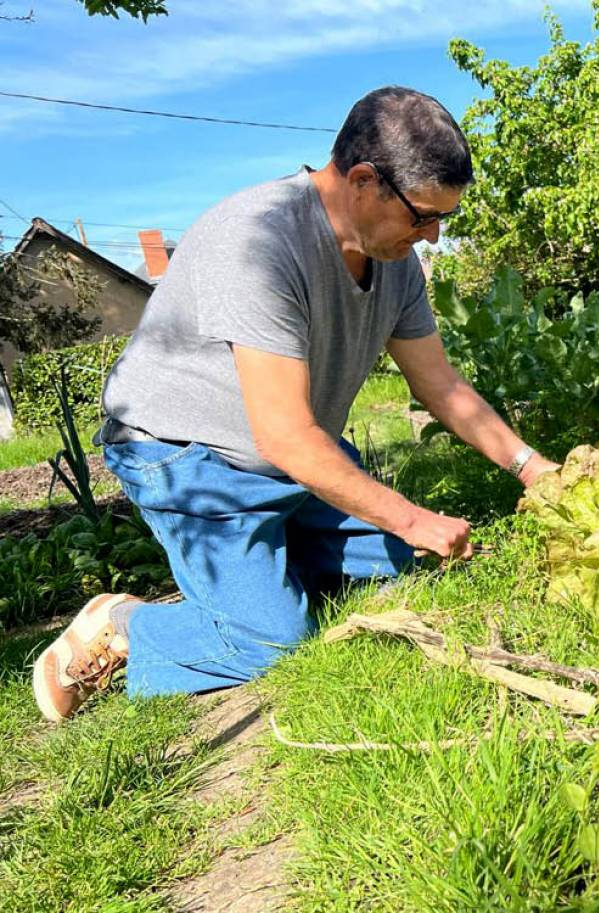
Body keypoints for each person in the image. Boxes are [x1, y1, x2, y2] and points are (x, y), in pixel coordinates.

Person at [32, 86, 557, 722]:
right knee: (272, 640)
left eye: (443, 218)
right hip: (190, 460)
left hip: (292, 457)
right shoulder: (256, 239)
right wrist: (412, 518)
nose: (435, 237)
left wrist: (534, 469)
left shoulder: (395, 261)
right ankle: (123, 625)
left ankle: (270, 565)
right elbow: (283, 435)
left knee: (411, 562)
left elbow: (440, 385)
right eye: (423, 216)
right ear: (364, 180)